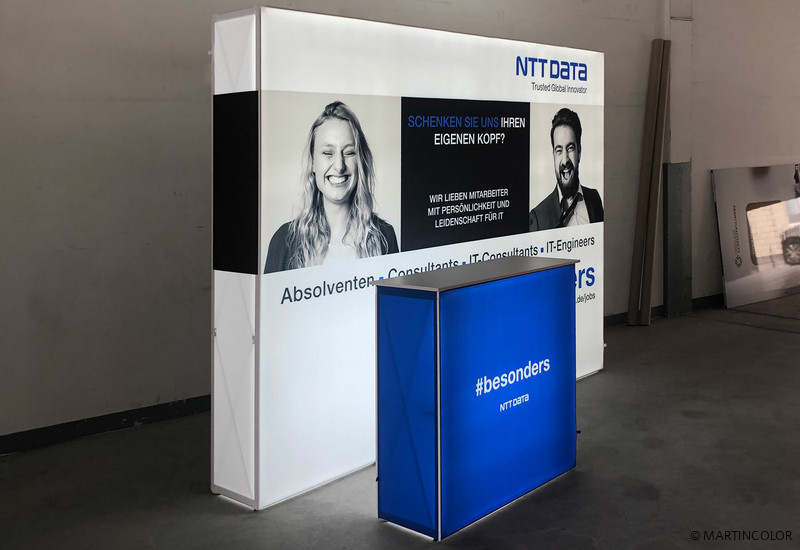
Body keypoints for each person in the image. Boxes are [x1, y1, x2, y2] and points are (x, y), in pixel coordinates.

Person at [265, 101, 398, 273]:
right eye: (328, 153)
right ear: (313, 162)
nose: (339, 166)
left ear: (360, 162)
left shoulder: (385, 237)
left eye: (349, 152)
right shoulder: (283, 241)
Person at [529, 108, 603, 231]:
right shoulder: (537, 217)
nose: (565, 160)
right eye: (559, 150)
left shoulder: (594, 199)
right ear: (553, 155)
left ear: (579, 152)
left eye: (570, 148)